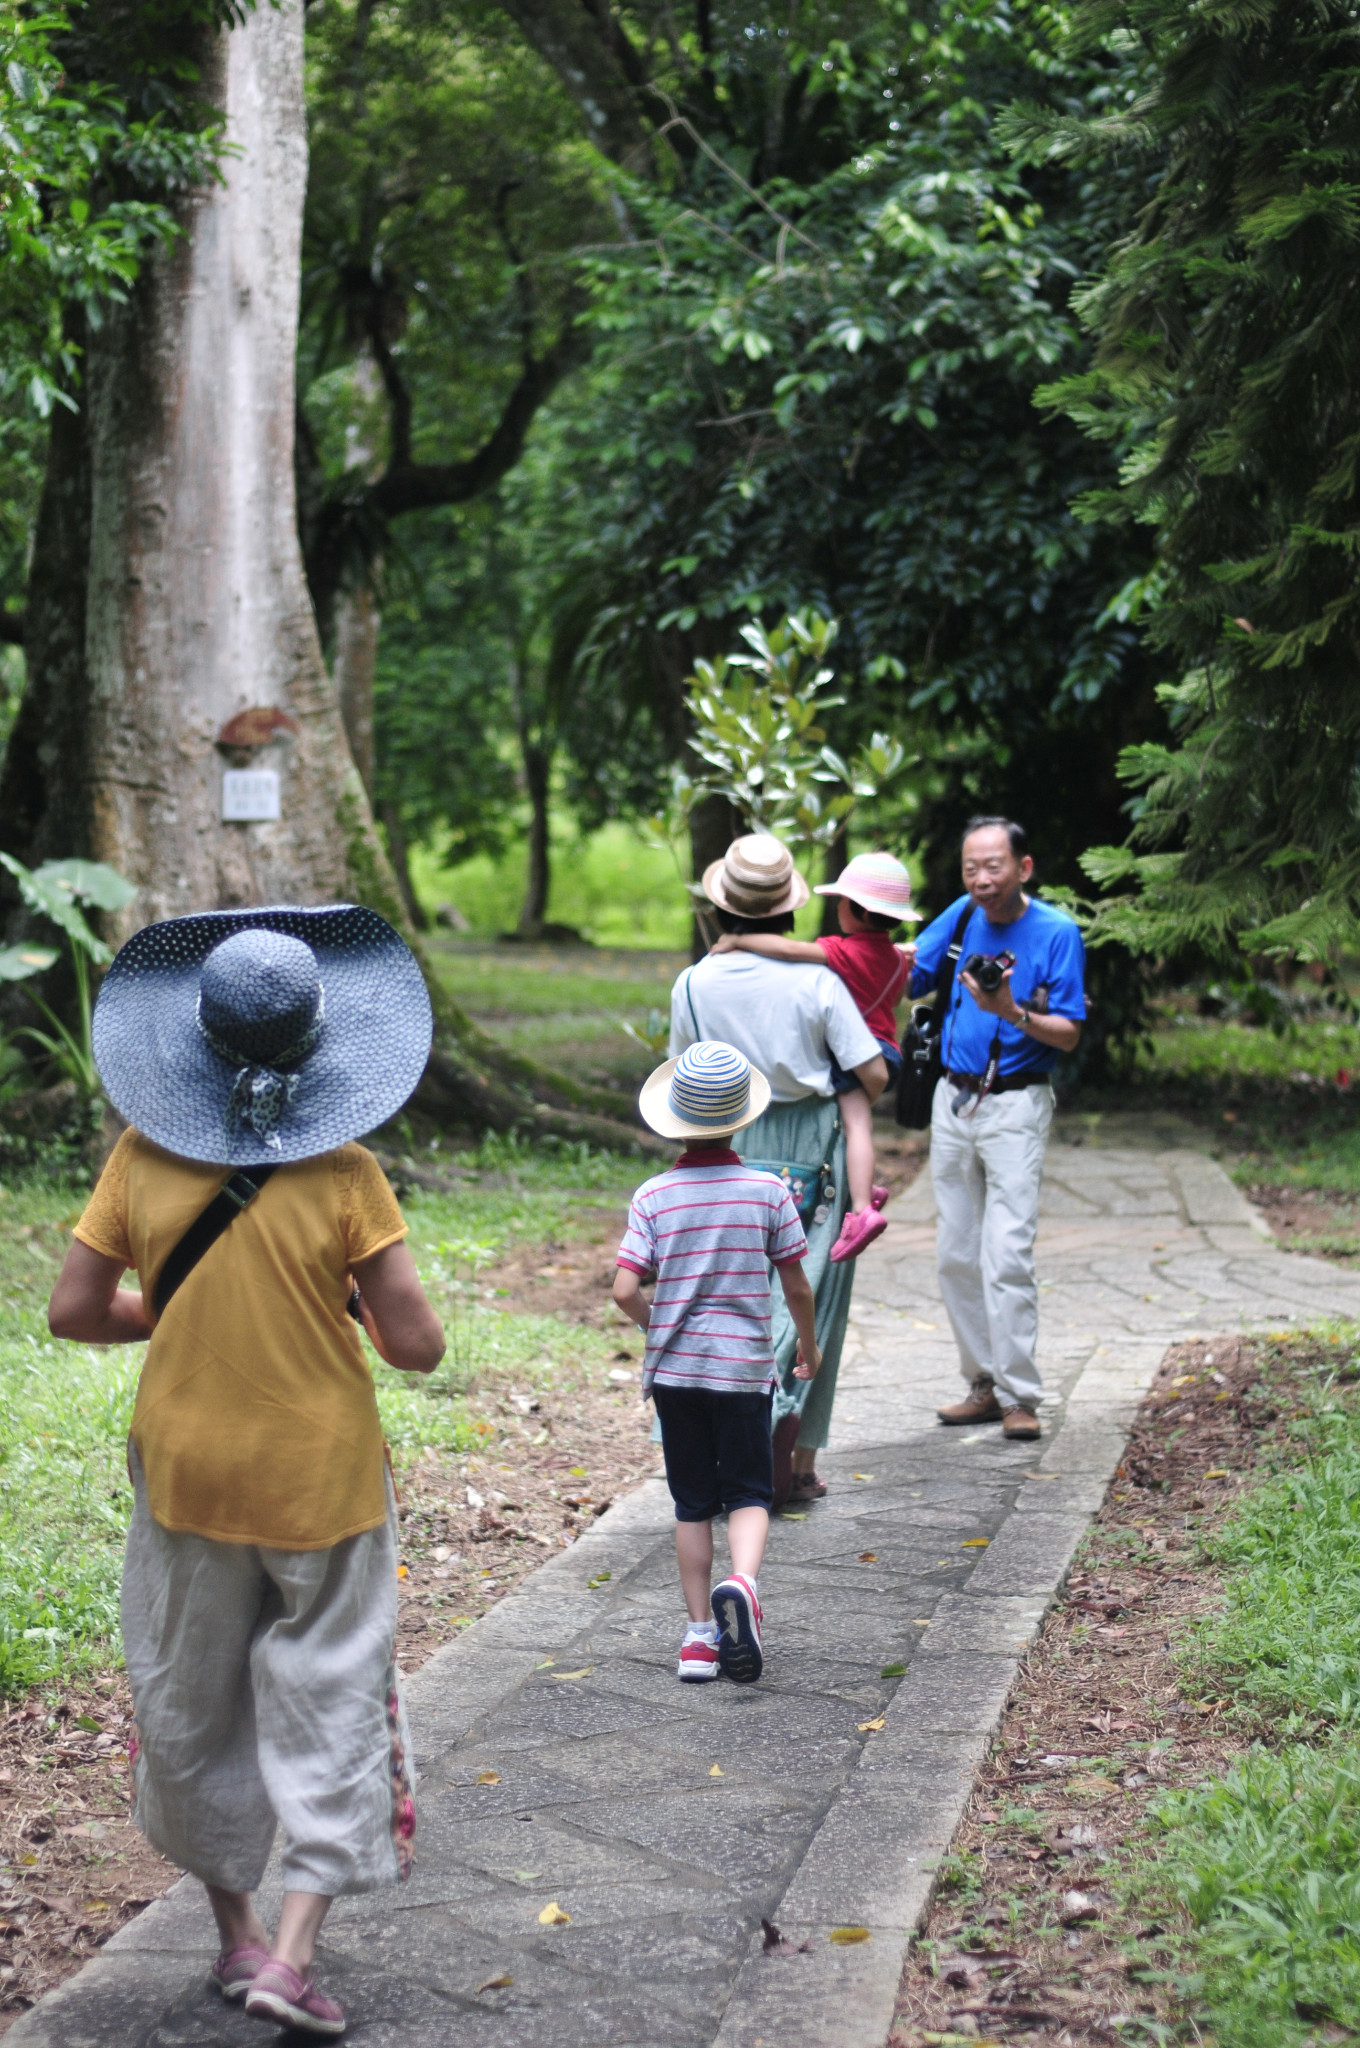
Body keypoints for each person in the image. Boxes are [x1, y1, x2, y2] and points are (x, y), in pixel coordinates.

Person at [46, 907, 445, 2039]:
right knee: (334, 1695)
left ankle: (234, 1935)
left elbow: (74, 1309)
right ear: (319, 1044)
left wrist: (169, 1307)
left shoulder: (139, 1155)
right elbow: (415, 1345)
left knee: (193, 1693)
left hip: (185, 1467)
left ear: (199, 1043)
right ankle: (294, 1953)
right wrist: (353, 1300)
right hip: (321, 1475)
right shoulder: (349, 1168)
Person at [670, 834, 887, 1504]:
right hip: (812, 1146)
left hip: (725, 1136)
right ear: (787, 908)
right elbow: (873, 1074)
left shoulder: (695, 982)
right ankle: (789, 1464)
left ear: (724, 905)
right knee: (810, 1300)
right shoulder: (818, 980)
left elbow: (684, 1077)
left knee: (727, 1296)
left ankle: (717, 1457)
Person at [613, 1039, 819, 1683]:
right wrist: (807, 1347)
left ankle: (700, 1637)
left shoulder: (653, 1196)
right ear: (743, 1117)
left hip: (676, 1376)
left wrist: (660, 1330)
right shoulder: (767, 1192)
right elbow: (796, 1285)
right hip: (742, 1371)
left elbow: (624, 1289)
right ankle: (745, 1585)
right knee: (751, 1491)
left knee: (692, 1501)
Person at [905, 817, 1086, 1441]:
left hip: (1015, 1104)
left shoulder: (1058, 932)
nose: (981, 880)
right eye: (970, 869)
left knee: (1006, 1252)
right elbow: (911, 975)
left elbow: (1069, 1031)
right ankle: (981, 1384)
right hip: (952, 1100)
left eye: (994, 867)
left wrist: (1009, 1010)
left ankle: (1020, 1396)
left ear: (1024, 868)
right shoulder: (959, 915)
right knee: (955, 1253)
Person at [712, 848, 919, 1262]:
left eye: (842, 901)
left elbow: (789, 951)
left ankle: (862, 1209)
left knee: (858, 1125)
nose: (837, 908)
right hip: (887, 1049)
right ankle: (868, 1188)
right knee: (859, 1125)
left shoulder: (844, 951)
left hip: (856, 1052)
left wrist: (737, 939)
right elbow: (895, 990)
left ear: (855, 911)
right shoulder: (898, 959)